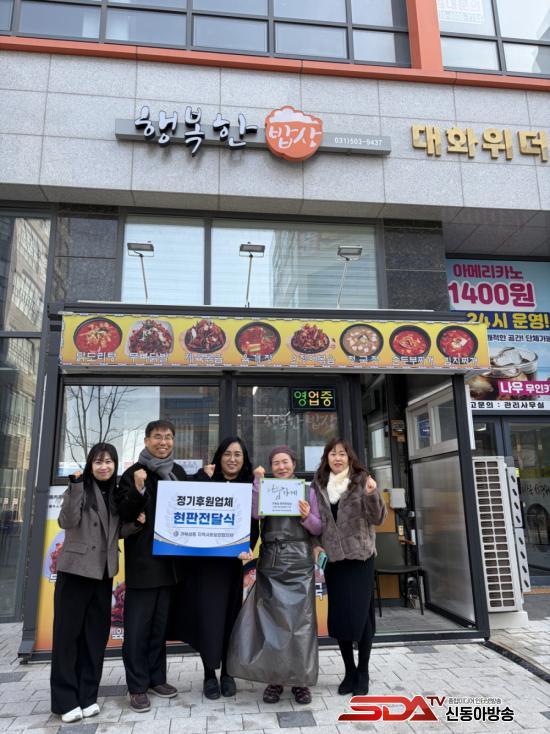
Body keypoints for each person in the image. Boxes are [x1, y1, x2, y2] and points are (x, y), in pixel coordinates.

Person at [50, 443, 145, 723]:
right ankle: (65, 700)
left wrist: (136, 524)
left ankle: (87, 696)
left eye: (109, 462)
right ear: (90, 465)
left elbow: (115, 532)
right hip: (75, 572)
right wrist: (75, 486)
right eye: (99, 462)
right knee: (68, 638)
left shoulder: (114, 494)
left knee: (94, 638)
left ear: (115, 465)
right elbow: (66, 520)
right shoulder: (80, 487)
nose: (104, 467)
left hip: (103, 574)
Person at [227, 446, 321, 705]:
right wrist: (257, 483)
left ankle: (301, 681)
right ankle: (275, 679)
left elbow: (318, 527)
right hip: (271, 559)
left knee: (301, 624)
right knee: (271, 623)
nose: (281, 467)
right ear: (271, 467)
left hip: (300, 561)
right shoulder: (264, 487)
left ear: (294, 464)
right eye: (276, 463)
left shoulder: (309, 491)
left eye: (285, 462)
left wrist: (307, 516)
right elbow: (256, 513)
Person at [171, 437, 258, 700]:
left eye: (238, 454)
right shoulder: (206, 481)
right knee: (208, 620)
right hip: (205, 566)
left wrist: (247, 546)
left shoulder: (249, 486)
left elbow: (254, 527)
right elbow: (184, 505)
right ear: (219, 457)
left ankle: (228, 674)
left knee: (230, 619)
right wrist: (202, 477)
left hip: (231, 566)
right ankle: (209, 674)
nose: (232, 459)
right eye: (227, 454)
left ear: (244, 459)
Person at [114, 420, 187, 713]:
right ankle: (136, 686)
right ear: (146, 441)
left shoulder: (178, 473)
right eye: (157, 437)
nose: (163, 442)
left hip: (170, 565)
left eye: (168, 437)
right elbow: (123, 512)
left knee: (159, 628)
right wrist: (138, 489)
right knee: (136, 631)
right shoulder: (133, 473)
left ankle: (157, 679)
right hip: (143, 565)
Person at [311, 438, 387, 696]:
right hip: (334, 560)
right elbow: (315, 523)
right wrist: (315, 545)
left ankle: (363, 671)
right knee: (340, 617)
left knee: (362, 618)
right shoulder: (318, 484)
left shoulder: (361, 481)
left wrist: (372, 493)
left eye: (342, 454)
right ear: (326, 458)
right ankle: (349, 671)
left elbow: (378, 518)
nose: (337, 458)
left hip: (360, 558)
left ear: (349, 457)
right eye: (332, 454)